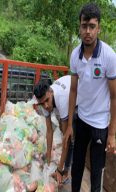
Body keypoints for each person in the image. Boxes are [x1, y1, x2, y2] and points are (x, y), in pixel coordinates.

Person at [64, 3, 116, 192]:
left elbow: (114, 97)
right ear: (79, 27)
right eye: (84, 26)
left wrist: (112, 134)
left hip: (100, 125)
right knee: (77, 168)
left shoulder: (109, 57)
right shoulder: (75, 55)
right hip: (82, 120)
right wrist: (70, 124)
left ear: (98, 28)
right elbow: (73, 91)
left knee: (96, 173)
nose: (88, 31)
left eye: (92, 26)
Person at [33, 76, 75, 186]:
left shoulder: (62, 99)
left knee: (69, 138)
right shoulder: (43, 101)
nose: (46, 106)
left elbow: (66, 138)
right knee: (64, 131)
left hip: (80, 100)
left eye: (47, 100)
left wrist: (59, 170)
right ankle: (63, 168)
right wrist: (47, 161)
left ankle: (65, 171)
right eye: (42, 103)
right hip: (67, 92)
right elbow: (49, 131)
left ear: (50, 92)